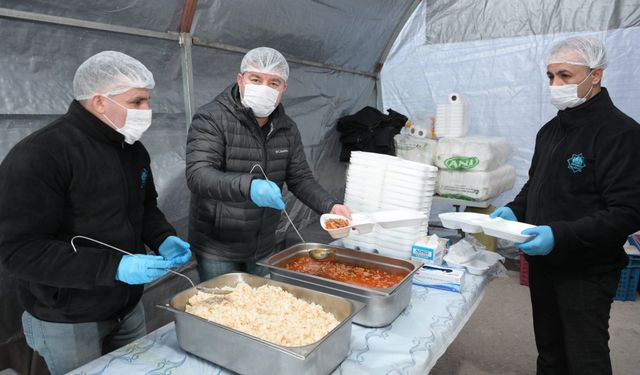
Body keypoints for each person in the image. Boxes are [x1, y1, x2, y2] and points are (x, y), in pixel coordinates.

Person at [0, 51, 191, 375]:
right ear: (100, 102)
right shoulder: (42, 154)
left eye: (148, 101)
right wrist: (115, 267)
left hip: (127, 307)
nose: (148, 111)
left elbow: (144, 209)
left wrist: (163, 237)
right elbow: (17, 250)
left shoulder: (132, 150)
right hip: (69, 318)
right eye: (138, 102)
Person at [491, 36, 640, 375]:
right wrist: (516, 209)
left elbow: (628, 211)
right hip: (544, 263)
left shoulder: (621, 134)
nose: (555, 84)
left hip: (586, 270)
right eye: (550, 76)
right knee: (550, 353)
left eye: (565, 76)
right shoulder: (551, 130)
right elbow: (537, 185)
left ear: (596, 75)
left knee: (584, 358)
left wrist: (559, 234)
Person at [186, 47, 351, 280]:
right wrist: (250, 186)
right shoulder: (212, 118)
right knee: (221, 309)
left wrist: (331, 206)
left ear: (284, 88)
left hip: (263, 244)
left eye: (274, 83)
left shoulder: (286, 128)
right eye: (256, 79)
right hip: (219, 247)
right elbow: (199, 175)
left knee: (262, 307)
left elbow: (300, 178)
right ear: (240, 80)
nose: (264, 87)